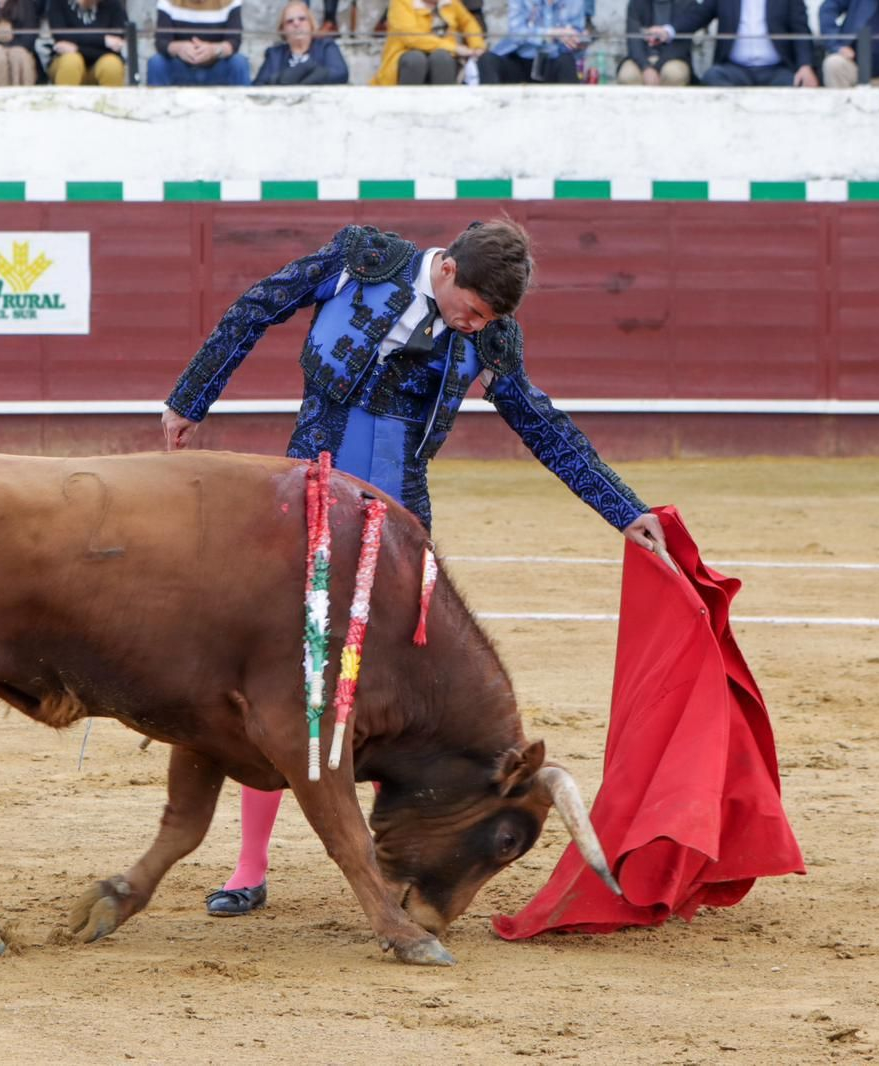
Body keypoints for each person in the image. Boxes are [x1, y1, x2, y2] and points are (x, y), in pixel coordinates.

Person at [161, 220, 669, 917]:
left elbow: (543, 426)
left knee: (394, 698)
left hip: (399, 533)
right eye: (474, 310)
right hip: (306, 512)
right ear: (449, 269)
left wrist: (624, 509)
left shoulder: (489, 337)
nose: (476, 326)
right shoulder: (360, 262)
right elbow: (255, 308)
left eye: (488, 320)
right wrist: (190, 399)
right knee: (286, 680)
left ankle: (392, 866)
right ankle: (250, 867)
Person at [645, 0, 819, 86]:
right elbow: (699, 15)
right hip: (734, 70)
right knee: (712, 77)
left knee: (796, 84)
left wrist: (805, 66)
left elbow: (801, 29)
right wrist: (668, 31)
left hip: (777, 70)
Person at [372, 0, 484, 84]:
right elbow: (412, 38)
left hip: (442, 57)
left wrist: (477, 46)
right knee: (416, 59)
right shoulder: (401, 2)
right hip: (407, 57)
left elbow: (468, 22)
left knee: (442, 58)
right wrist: (455, 48)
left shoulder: (450, 3)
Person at [479, 0, 588, 84]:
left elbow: (575, 46)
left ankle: (570, 106)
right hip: (519, 59)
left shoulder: (575, 2)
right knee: (487, 60)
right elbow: (516, 34)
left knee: (567, 62)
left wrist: (579, 42)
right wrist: (552, 33)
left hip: (552, 61)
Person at [147, 0, 248, 85]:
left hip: (217, 68)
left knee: (238, 62)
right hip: (180, 68)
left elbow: (234, 41)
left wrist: (213, 50)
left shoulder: (230, 2)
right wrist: (180, 48)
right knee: (157, 63)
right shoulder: (168, 2)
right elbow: (162, 42)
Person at [254, 0, 348, 84]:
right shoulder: (275, 54)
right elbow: (259, 85)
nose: (296, 23)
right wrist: (282, 78)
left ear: (311, 24)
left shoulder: (325, 46)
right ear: (282, 29)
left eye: (302, 19)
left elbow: (340, 73)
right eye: (290, 21)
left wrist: (305, 74)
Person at [47, 0, 128, 86]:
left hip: (102, 61)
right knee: (71, 62)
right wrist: (104, 41)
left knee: (111, 65)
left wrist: (78, 48)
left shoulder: (114, 4)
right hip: (65, 60)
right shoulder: (57, 2)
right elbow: (62, 36)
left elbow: (116, 45)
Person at [617, 0, 692, 83]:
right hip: (642, 58)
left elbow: (682, 45)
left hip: (673, 58)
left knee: (674, 74)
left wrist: (656, 68)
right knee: (627, 76)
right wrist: (646, 67)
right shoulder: (637, 3)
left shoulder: (686, 3)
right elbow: (633, 41)